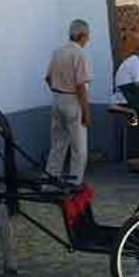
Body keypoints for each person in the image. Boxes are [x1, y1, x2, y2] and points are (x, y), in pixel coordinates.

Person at [44, 19, 92, 185]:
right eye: (87, 36)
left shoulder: (58, 52)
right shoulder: (79, 54)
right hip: (73, 101)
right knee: (79, 150)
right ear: (82, 35)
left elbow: (48, 78)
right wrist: (86, 112)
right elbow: (80, 86)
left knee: (57, 146)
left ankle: (49, 183)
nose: (88, 39)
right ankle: (74, 184)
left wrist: (59, 91)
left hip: (57, 99)